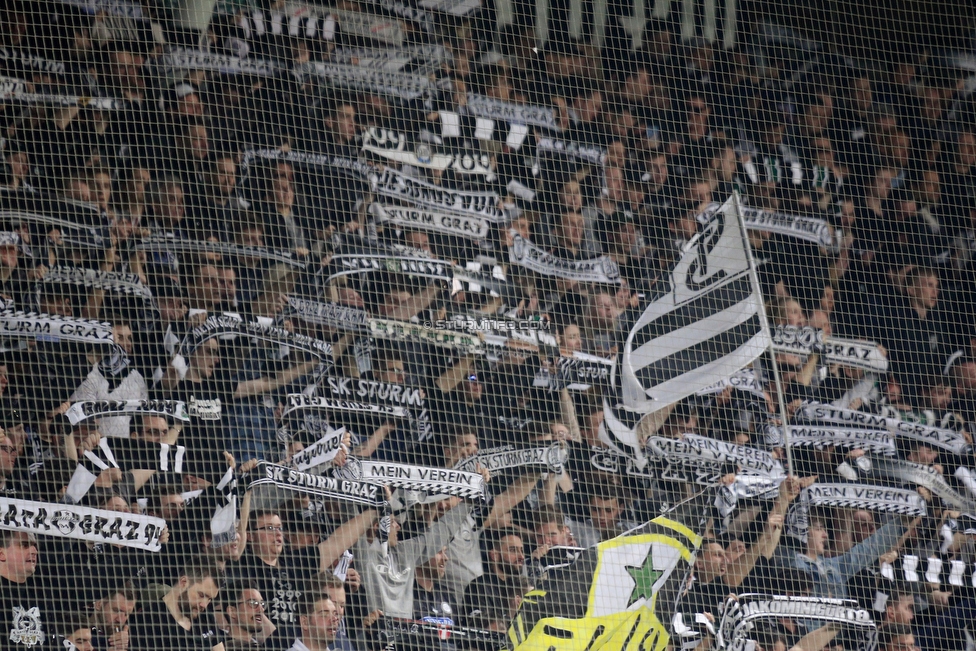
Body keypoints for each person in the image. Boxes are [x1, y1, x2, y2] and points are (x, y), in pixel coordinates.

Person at [128, 557, 226, 651]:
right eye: (201, 595)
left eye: (209, 599)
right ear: (184, 582)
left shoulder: (206, 618)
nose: (204, 605)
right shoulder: (147, 624)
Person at [0, 531, 49, 649]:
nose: (34, 551)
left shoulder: (43, 591)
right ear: (1, 554)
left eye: (35, 546)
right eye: (24, 545)